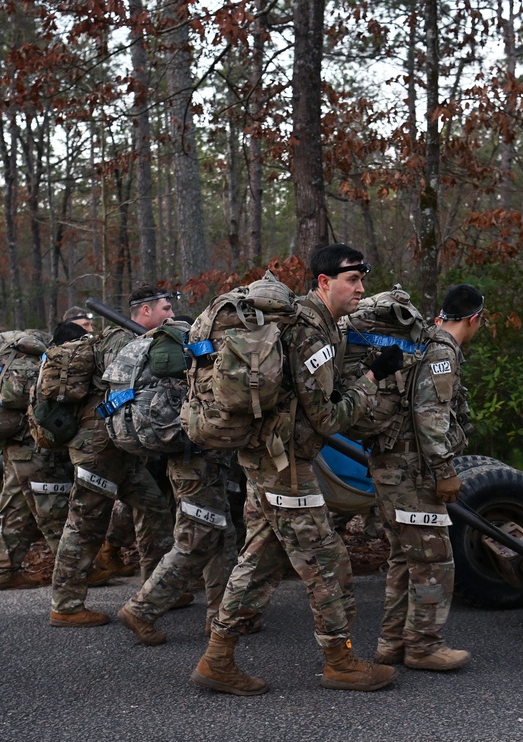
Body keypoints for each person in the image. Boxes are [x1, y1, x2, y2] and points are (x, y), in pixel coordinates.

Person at [190, 244, 403, 696]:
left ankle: (217, 658)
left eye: (363, 279)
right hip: (284, 467)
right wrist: (372, 380)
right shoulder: (311, 331)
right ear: (324, 282)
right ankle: (340, 661)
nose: (361, 289)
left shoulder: (316, 325)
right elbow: (327, 417)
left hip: (269, 459)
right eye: (352, 280)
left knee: (260, 558)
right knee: (327, 563)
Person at [370, 283, 484, 670]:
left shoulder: (424, 342)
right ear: (474, 319)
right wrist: (445, 472)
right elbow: (429, 417)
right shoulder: (441, 352)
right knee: (434, 558)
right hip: (412, 470)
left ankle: (391, 643)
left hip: (390, 466)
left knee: (405, 557)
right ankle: (423, 646)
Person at [49, 285, 176, 627]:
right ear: (145, 312)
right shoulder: (123, 341)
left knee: (153, 509)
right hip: (98, 448)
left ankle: (158, 589)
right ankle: (66, 604)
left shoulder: (145, 341)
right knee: (86, 524)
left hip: (120, 449)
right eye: (165, 309)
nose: (172, 315)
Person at [117, 314, 239, 645]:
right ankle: (142, 608)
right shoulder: (208, 362)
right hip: (195, 463)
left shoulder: (196, 361)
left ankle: (220, 616)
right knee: (194, 542)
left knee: (221, 535)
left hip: (196, 460)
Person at [0, 322, 83, 591]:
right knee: (52, 509)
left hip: (14, 444)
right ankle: (73, 577)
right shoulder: (49, 365)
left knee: (17, 509)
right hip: (31, 446)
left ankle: (4, 571)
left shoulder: (28, 361)